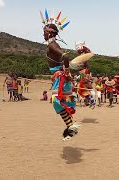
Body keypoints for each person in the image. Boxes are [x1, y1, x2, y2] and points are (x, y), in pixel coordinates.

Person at [41, 8, 79, 140]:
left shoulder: (52, 45)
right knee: (59, 102)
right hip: (60, 77)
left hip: (60, 78)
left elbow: (65, 57)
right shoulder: (52, 44)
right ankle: (71, 127)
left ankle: (71, 127)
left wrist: (66, 71)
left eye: (44, 32)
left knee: (57, 102)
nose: (43, 35)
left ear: (49, 33)